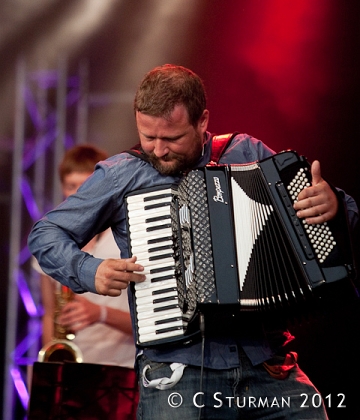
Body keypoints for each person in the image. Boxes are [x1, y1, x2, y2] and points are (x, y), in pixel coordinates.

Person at [28, 64, 358, 420]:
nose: (157, 150)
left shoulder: (245, 152)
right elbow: (45, 235)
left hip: (267, 365)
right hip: (177, 375)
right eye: (147, 136)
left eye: (170, 139)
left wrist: (333, 204)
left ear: (202, 121)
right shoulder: (122, 173)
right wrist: (90, 270)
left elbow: (333, 213)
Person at [33, 144, 137, 369]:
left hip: (125, 366)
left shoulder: (128, 237)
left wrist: (99, 313)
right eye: (71, 186)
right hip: (74, 367)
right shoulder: (51, 244)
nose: (78, 194)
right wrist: (49, 366)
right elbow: (50, 313)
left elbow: (151, 322)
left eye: (85, 185)